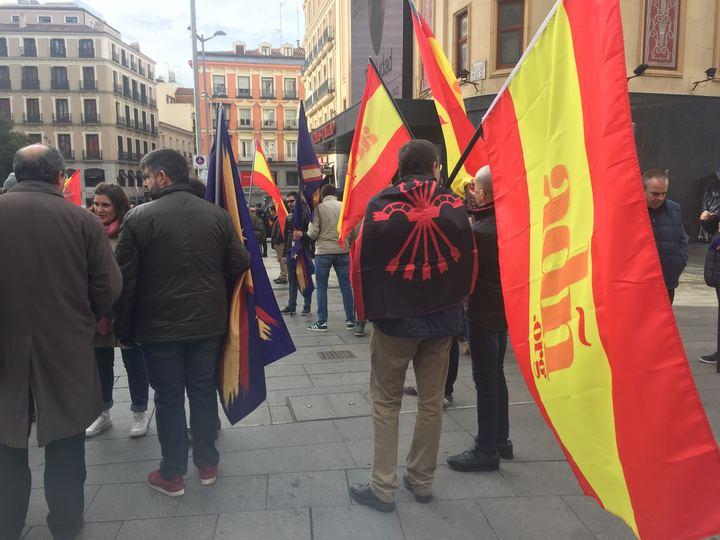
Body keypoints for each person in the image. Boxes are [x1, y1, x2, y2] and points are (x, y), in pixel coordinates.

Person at [0, 144, 122, 539]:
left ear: (16, 174)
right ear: (59, 177)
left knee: (5, 443)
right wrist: (82, 318)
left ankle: (8, 522)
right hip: (66, 344)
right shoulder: (82, 221)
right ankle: (66, 524)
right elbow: (108, 286)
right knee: (66, 440)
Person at [113, 149, 249, 497]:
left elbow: (124, 281)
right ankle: (207, 464)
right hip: (208, 323)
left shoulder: (138, 217)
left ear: (163, 176)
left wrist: (123, 329)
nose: (144, 183)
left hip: (159, 328)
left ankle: (172, 474)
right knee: (203, 391)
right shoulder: (217, 215)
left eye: (146, 176)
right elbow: (240, 261)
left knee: (169, 397)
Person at [349, 140, 470, 512]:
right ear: (435, 165)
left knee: (386, 403)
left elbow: (360, 259)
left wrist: (366, 312)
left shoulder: (380, 205)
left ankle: (383, 487)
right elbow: (469, 260)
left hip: (395, 322)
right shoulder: (454, 205)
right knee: (431, 403)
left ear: (400, 167)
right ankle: (421, 481)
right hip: (443, 321)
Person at [447, 165, 513, 472]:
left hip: (482, 312)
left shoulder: (479, 231)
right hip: (503, 312)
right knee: (496, 375)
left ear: (483, 192)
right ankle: (501, 439)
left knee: (485, 379)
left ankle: (487, 448)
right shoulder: (512, 224)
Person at [85, 183, 151, 439]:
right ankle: (103, 413)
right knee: (100, 363)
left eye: (105, 205)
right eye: (96, 203)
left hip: (126, 309)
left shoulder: (130, 231)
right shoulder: (88, 230)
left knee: (134, 362)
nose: (99, 209)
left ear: (118, 206)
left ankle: (139, 412)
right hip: (98, 310)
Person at [305, 183, 356, 332]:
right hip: (343, 250)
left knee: (321, 287)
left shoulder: (319, 208)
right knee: (346, 286)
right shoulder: (344, 206)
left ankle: (322, 322)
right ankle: (350, 320)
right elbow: (351, 230)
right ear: (335, 194)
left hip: (323, 252)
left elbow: (313, 233)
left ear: (322, 195)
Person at [643, 169, 688, 304]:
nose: (660, 198)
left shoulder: (674, 209)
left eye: (664, 193)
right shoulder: (630, 211)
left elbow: (682, 238)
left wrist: (679, 262)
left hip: (667, 283)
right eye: (655, 194)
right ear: (642, 190)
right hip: (639, 285)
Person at [280, 192, 313, 316]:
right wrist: (284, 253)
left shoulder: (306, 213)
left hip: (302, 251)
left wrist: (302, 235)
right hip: (290, 251)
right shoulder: (289, 216)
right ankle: (291, 305)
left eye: (292, 201)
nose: (289, 203)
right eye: (287, 201)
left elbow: (311, 234)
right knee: (292, 280)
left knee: (305, 278)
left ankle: (307, 305)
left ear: (297, 201)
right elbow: (286, 235)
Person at [270, 203, 288, 284]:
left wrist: (277, 241)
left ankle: (284, 276)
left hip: (280, 243)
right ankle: (282, 274)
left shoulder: (280, 218)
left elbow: (280, 231)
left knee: (282, 260)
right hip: (278, 242)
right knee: (280, 260)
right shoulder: (277, 218)